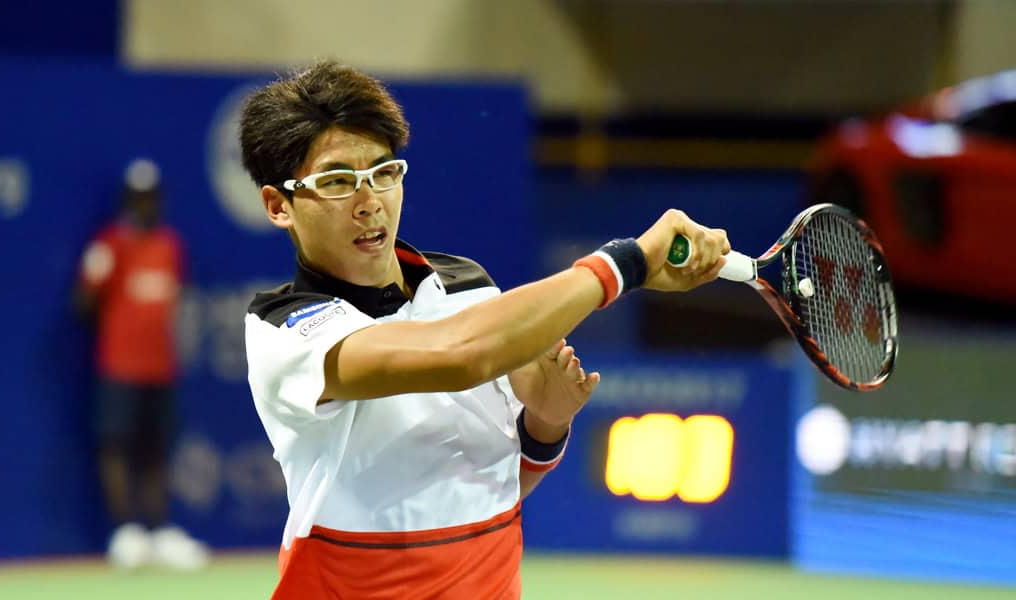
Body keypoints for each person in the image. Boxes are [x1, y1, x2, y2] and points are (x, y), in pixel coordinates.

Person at [239, 62, 729, 599]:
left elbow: (489, 487)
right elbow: (460, 354)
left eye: (384, 173)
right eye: (337, 182)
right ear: (277, 206)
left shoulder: (469, 288)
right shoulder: (286, 330)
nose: (369, 201)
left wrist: (544, 424)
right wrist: (623, 265)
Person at [74, 158, 207, 570]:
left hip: (160, 368)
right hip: (118, 367)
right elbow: (83, 302)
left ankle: (159, 529)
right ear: (127, 201)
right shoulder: (108, 245)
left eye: (150, 198)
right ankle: (125, 531)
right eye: (138, 198)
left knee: (156, 449)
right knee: (117, 445)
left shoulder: (170, 246)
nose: (145, 205)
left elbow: (175, 302)